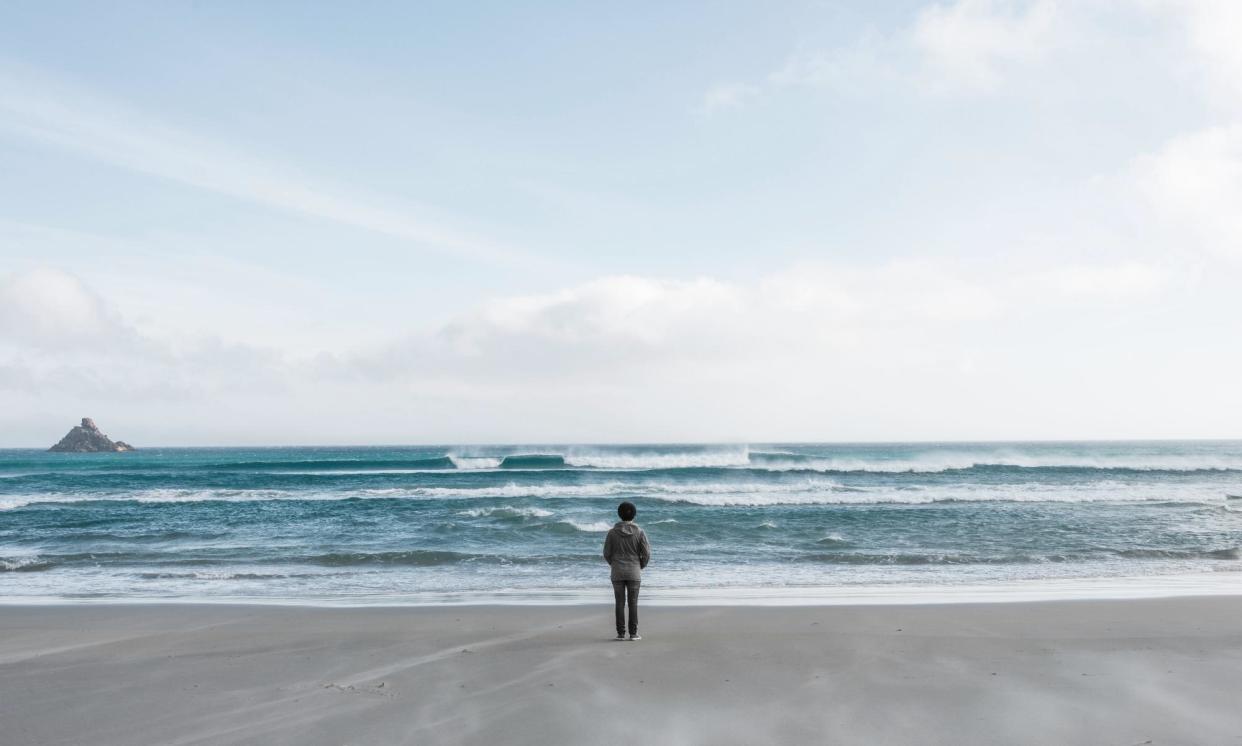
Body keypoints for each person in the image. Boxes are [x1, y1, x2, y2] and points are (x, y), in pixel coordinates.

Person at [603, 501, 651, 641]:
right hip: (634, 571)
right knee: (633, 603)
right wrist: (640, 565)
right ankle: (634, 634)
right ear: (634, 515)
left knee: (619, 603)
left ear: (619, 514)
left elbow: (606, 553)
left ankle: (621, 634)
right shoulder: (640, 532)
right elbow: (647, 554)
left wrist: (614, 564)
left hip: (617, 571)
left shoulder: (612, 533)